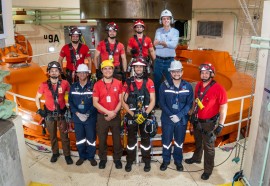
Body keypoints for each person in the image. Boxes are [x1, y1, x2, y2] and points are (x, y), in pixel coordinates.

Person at [185, 63, 228, 180]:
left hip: (209, 123)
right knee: (198, 141)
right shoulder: (198, 85)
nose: (204, 75)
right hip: (197, 120)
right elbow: (196, 101)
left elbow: (223, 107)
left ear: (211, 74)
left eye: (206, 73)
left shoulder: (219, 89)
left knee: (209, 147)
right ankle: (197, 158)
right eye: (202, 73)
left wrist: (221, 124)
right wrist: (192, 114)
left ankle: (208, 170)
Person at [35, 61, 73, 165]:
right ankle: (55, 153)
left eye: (56, 71)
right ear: (48, 72)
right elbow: (37, 97)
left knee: (64, 136)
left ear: (59, 72)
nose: (54, 73)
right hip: (49, 115)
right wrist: (39, 110)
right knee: (52, 136)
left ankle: (67, 155)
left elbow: (71, 95)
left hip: (62, 114)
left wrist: (71, 106)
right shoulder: (43, 85)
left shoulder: (65, 83)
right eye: (52, 71)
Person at [121, 57, 155, 172]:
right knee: (131, 140)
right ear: (133, 68)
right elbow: (123, 101)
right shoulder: (128, 82)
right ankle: (130, 161)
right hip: (132, 115)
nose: (139, 68)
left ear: (144, 68)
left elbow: (153, 100)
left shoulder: (149, 82)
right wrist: (132, 114)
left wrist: (145, 114)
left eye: (141, 66)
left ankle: (146, 161)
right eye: (136, 66)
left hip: (146, 115)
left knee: (146, 140)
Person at [159, 60, 193, 171]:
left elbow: (189, 104)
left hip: (181, 120)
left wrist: (179, 115)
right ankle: (166, 160)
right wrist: (170, 115)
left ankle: (178, 161)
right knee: (166, 141)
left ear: (182, 72)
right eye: (174, 72)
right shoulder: (164, 86)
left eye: (178, 71)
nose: (176, 74)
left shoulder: (188, 86)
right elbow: (162, 104)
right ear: (170, 73)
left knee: (179, 142)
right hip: (167, 120)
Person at [92, 60, 123, 169]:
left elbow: (121, 100)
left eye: (110, 68)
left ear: (113, 70)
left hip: (115, 115)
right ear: (102, 70)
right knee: (102, 139)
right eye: (105, 68)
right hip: (102, 117)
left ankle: (117, 159)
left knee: (117, 139)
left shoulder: (119, 83)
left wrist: (114, 112)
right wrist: (108, 112)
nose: (108, 71)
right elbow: (95, 103)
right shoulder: (97, 85)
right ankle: (103, 159)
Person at [68, 64, 97, 166]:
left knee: (91, 138)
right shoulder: (73, 87)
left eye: (84, 72)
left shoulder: (93, 86)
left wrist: (88, 113)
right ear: (77, 74)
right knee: (80, 138)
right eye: (80, 72)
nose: (82, 74)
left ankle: (91, 157)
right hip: (77, 118)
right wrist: (77, 113)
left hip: (90, 118)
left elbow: (96, 102)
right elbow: (70, 102)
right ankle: (82, 156)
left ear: (87, 74)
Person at [153, 9, 179, 108]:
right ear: (161, 20)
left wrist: (163, 43)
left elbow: (174, 45)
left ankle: (169, 103)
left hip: (170, 61)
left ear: (171, 20)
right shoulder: (158, 31)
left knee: (171, 82)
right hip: (158, 60)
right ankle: (156, 103)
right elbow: (156, 45)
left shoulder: (175, 31)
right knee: (157, 82)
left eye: (168, 19)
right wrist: (168, 43)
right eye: (164, 19)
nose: (166, 20)